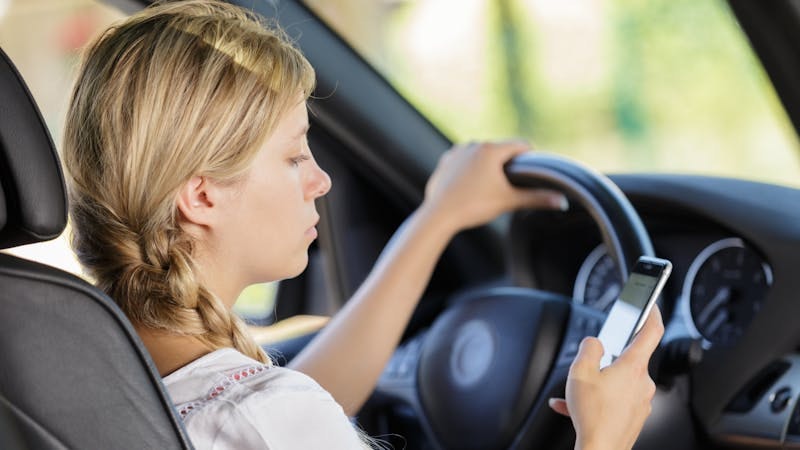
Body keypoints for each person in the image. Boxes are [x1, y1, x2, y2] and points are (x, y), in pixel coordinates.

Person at [62, 1, 663, 449]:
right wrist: (603, 438)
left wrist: (438, 218)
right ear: (201, 196)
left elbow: (287, 407)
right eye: (295, 156)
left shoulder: (80, 360)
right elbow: (270, 417)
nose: (319, 181)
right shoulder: (265, 416)